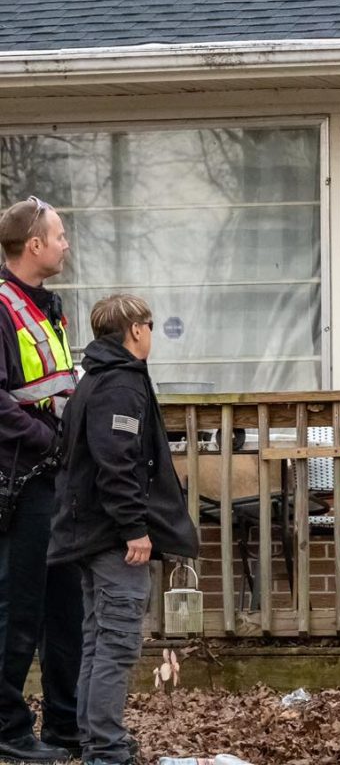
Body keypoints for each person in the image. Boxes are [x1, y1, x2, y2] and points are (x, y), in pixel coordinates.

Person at [48, 294, 199, 765]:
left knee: (97, 640)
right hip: (114, 539)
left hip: (90, 534)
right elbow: (118, 465)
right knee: (115, 644)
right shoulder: (119, 386)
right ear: (135, 330)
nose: (151, 333)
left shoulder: (95, 379)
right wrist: (135, 528)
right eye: (149, 325)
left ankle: (97, 741)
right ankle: (107, 750)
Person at [0, 196, 82, 763]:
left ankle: (64, 725)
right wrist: (51, 441)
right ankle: (7, 730)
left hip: (58, 480)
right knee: (17, 609)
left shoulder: (47, 306)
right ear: (34, 245)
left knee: (65, 609)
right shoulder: (3, 307)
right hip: (22, 481)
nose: (65, 243)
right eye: (59, 235)